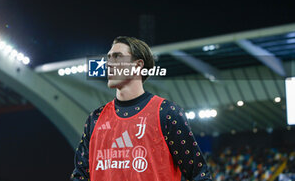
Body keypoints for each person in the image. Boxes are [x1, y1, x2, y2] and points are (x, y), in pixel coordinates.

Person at [70, 36, 212, 181]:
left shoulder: (167, 112)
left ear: (138, 65)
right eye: (108, 58)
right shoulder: (95, 119)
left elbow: (199, 174)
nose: (109, 64)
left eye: (117, 56)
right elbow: (79, 175)